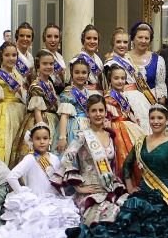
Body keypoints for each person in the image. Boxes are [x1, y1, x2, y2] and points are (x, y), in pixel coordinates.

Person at [54, 105, 168, 238]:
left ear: (167, 120)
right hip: (139, 195)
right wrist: (129, 187)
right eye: (153, 118)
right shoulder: (142, 141)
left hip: (164, 197)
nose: (156, 121)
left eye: (160, 118)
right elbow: (127, 165)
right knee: (125, 226)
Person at [0, 125, 80, 238]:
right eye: (38, 138)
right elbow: (11, 177)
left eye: (45, 138)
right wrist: (23, 194)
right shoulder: (30, 158)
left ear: (50, 140)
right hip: (36, 202)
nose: (42, 141)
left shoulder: (55, 158)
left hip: (53, 201)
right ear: (31, 141)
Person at [53, 95, 129, 225]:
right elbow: (66, 160)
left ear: (106, 112)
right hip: (90, 193)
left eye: (101, 110)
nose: (98, 114)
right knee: (106, 218)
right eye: (94, 110)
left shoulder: (110, 136)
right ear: (88, 113)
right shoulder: (83, 136)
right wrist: (78, 188)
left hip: (109, 187)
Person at [10, 50, 62, 166]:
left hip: (52, 119)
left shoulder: (49, 83)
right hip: (40, 120)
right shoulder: (36, 85)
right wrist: (42, 130)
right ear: (38, 65)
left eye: (51, 64)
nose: (48, 66)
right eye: (45, 64)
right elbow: (37, 110)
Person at [104, 65, 147, 178]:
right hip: (117, 127)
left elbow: (128, 112)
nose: (120, 81)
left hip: (128, 125)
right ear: (110, 79)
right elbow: (107, 116)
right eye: (116, 78)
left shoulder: (122, 95)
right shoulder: (108, 97)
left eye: (123, 78)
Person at [107, 27, 153, 130]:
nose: (122, 45)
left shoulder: (128, 59)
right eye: (118, 42)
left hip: (138, 97)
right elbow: (109, 87)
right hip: (122, 98)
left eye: (125, 42)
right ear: (112, 43)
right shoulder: (110, 63)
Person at [57, 59, 99, 153]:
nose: (80, 75)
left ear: (88, 75)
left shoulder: (88, 92)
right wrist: (62, 137)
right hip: (72, 127)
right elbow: (64, 116)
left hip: (88, 127)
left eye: (84, 72)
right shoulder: (68, 93)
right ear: (72, 74)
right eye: (77, 72)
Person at [126, 22, 168, 107]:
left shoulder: (158, 59)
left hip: (151, 102)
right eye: (140, 37)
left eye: (146, 38)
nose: (143, 41)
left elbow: (160, 85)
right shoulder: (124, 58)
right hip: (128, 102)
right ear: (133, 39)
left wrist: (160, 107)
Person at [72, 25, 105, 91]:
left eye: (95, 39)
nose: (92, 41)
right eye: (88, 38)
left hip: (99, 95)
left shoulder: (99, 60)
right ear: (83, 40)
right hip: (83, 94)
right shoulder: (76, 59)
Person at [43, 24, 67, 91]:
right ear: (44, 38)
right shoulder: (42, 55)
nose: (53, 40)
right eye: (49, 36)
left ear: (60, 39)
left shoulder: (60, 57)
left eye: (56, 37)